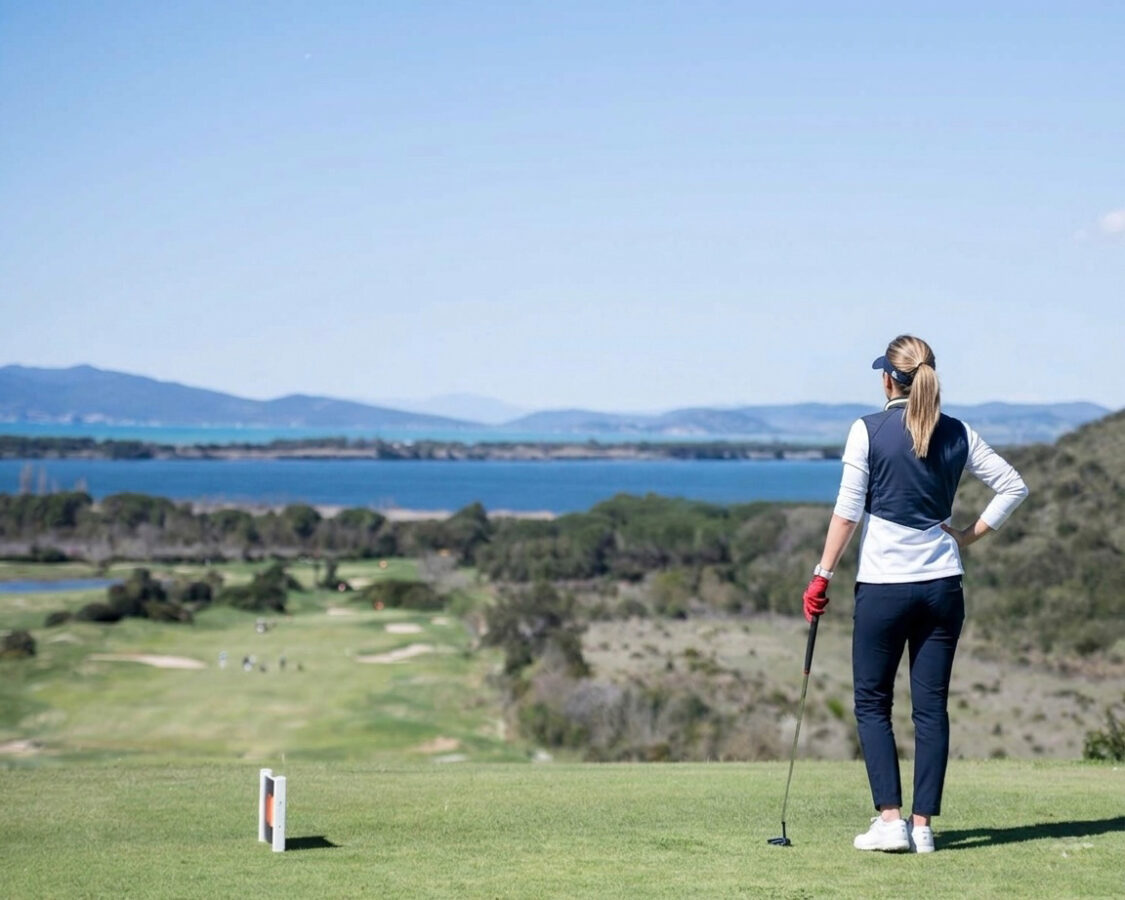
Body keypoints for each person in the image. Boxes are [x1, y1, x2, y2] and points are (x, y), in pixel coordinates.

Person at [802, 335, 1028, 854]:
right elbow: (1014, 486)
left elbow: (847, 511)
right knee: (930, 709)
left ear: (889, 378)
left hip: (884, 589)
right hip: (943, 588)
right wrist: (970, 535)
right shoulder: (959, 432)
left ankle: (890, 821)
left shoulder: (867, 430)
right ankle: (923, 827)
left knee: (873, 703)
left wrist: (821, 575)